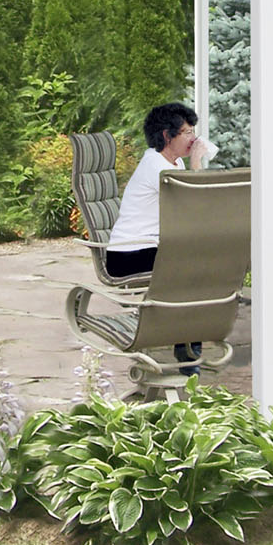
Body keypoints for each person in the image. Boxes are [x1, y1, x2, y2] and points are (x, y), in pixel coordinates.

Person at [105, 101, 211, 373]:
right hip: (128, 255)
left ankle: (185, 347)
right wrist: (197, 161)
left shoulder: (171, 161)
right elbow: (193, 201)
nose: (193, 138)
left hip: (150, 249)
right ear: (167, 135)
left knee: (201, 266)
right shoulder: (156, 166)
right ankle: (188, 357)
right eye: (187, 132)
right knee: (195, 270)